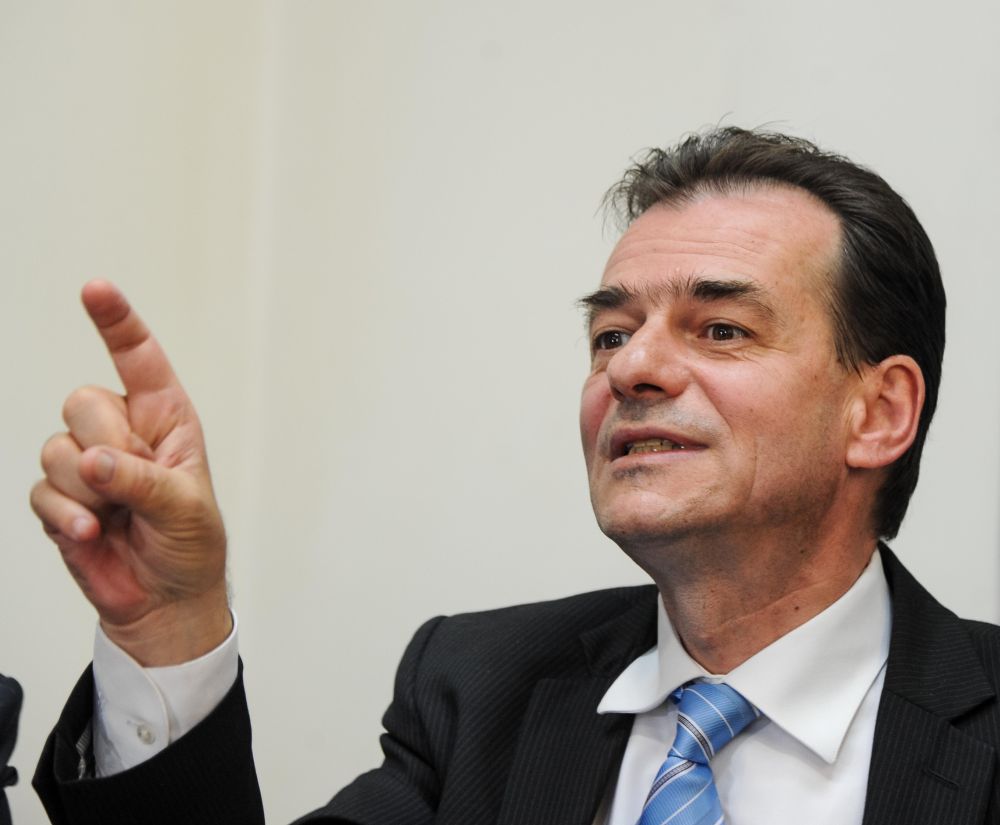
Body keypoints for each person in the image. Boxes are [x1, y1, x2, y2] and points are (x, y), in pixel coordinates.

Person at [29, 127, 1000, 824]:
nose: (631, 368)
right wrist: (170, 627)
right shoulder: (479, 689)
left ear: (878, 413)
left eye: (719, 328)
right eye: (610, 334)